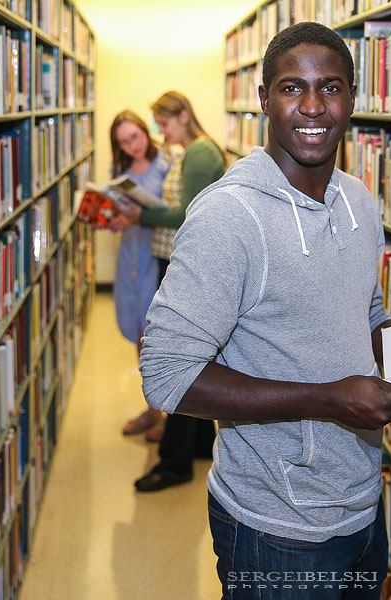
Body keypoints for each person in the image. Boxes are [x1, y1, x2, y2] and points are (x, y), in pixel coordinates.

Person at [138, 23, 391, 599]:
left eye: (331, 87)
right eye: (292, 88)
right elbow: (166, 376)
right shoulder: (229, 217)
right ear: (264, 98)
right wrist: (327, 398)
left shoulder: (358, 200)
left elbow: (365, 322)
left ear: (353, 97)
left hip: (361, 504)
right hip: (273, 528)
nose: (313, 107)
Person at [114, 91, 227, 490]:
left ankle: (174, 463)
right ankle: (198, 443)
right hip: (175, 259)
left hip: (185, 266)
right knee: (193, 356)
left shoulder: (198, 152)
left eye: (164, 124)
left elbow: (188, 212)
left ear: (183, 115)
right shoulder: (190, 150)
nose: (161, 132)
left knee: (178, 361)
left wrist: (141, 215)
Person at [104, 110, 170, 437]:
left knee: (158, 334)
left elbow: (173, 213)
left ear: (146, 131)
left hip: (157, 257)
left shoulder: (167, 163)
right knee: (139, 335)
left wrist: (138, 216)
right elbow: (115, 209)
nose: (132, 146)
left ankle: (172, 414)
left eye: (135, 137)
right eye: (123, 142)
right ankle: (153, 408)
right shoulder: (119, 171)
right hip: (129, 256)